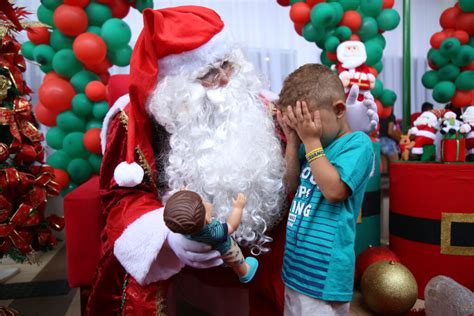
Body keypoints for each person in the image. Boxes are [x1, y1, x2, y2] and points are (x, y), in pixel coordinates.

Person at [87, 6, 378, 315]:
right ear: (174, 85)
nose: (226, 79)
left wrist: (345, 133)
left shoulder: (260, 106)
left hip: (269, 263)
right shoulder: (133, 125)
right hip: (179, 274)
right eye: (209, 74)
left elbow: (310, 164)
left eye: (227, 64)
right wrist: (167, 238)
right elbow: (121, 200)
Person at [276, 64, 374, 316]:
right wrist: (294, 142)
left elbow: (334, 191)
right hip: (295, 267)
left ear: (339, 109)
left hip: (324, 272)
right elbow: (290, 185)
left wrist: (310, 141)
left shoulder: (357, 144)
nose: (303, 128)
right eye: (297, 123)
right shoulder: (311, 146)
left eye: (306, 120)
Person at [163, 191, 259, 283]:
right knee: (236, 261)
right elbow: (232, 226)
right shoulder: (213, 232)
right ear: (207, 218)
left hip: (213, 249)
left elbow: (183, 216)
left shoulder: (186, 230)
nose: (205, 201)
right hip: (227, 249)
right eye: (203, 202)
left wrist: (184, 197)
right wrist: (238, 208)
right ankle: (244, 272)